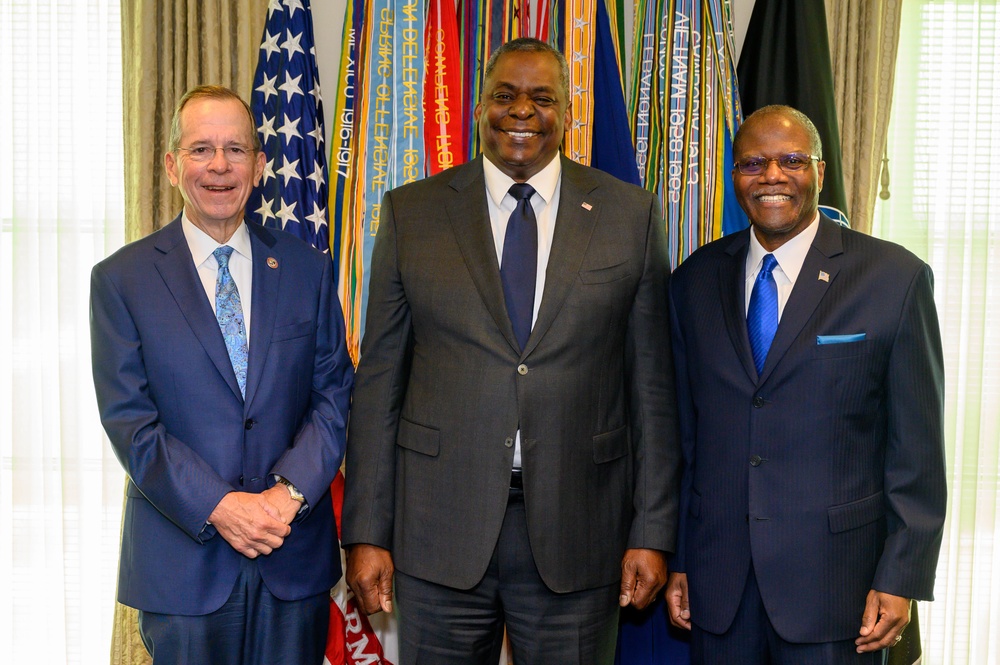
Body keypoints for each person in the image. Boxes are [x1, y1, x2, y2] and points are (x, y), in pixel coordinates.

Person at [341, 38, 679, 665]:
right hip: (439, 530)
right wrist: (365, 531)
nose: (521, 110)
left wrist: (653, 530)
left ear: (568, 113)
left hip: (581, 531)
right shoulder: (412, 212)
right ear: (479, 108)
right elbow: (379, 384)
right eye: (504, 95)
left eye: (541, 97)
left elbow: (652, 389)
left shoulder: (628, 215)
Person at [665, 105, 947, 664]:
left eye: (791, 160)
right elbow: (685, 439)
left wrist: (901, 575)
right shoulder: (694, 280)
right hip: (719, 587)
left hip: (837, 588)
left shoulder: (894, 279)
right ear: (734, 175)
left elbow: (916, 448)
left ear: (819, 169)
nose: (772, 175)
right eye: (753, 163)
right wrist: (681, 555)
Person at [91, 85, 353, 664]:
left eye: (235, 149)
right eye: (201, 149)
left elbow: (335, 397)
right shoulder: (121, 280)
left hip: (292, 559)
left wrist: (286, 496)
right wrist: (222, 505)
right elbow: (131, 424)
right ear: (170, 164)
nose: (218, 165)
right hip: (183, 568)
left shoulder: (307, 269)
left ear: (259, 166)